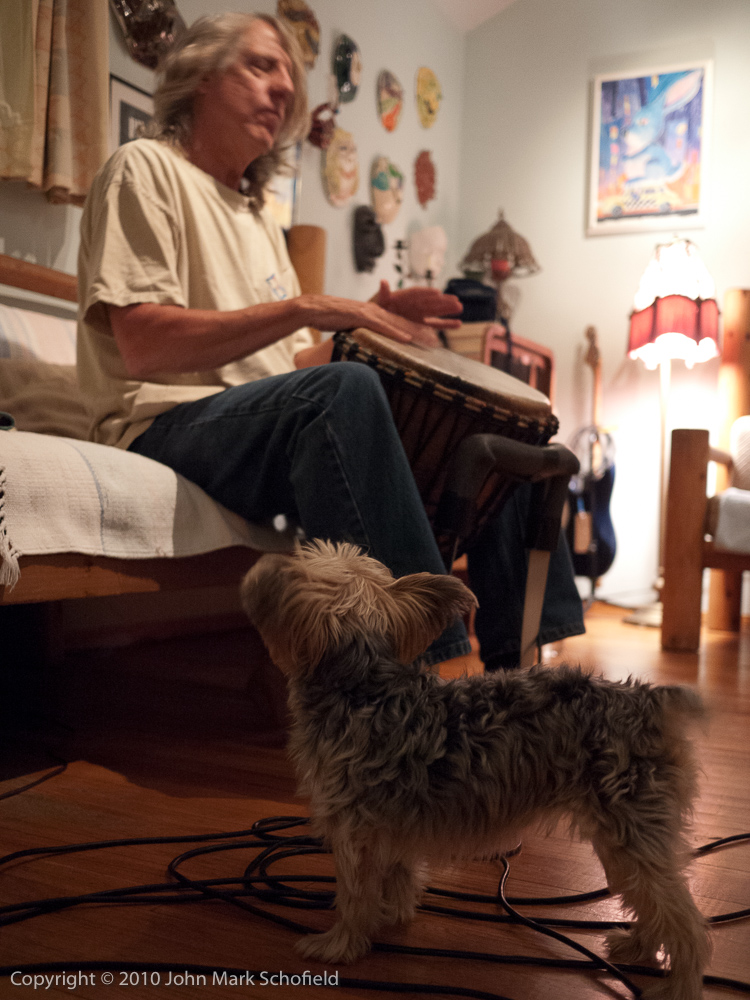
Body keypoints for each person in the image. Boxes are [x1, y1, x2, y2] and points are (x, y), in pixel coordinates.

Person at [76, 12, 583, 671]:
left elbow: (290, 367)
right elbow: (143, 345)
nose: (282, 89)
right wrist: (307, 306)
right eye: (261, 66)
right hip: (158, 424)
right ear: (198, 76)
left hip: (247, 425)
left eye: (288, 77)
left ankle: (524, 675)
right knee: (340, 393)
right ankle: (414, 673)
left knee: (493, 432)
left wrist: (367, 319)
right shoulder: (143, 170)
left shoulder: (257, 216)